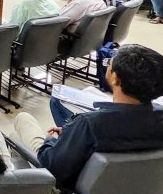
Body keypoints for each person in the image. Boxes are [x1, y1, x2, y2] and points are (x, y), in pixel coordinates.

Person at [13, 44, 163, 191]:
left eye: (108, 64)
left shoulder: (90, 125)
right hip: (133, 185)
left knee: (22, 121)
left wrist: (51, 140)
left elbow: (52, 169)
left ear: (115, 79)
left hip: (68, 184)